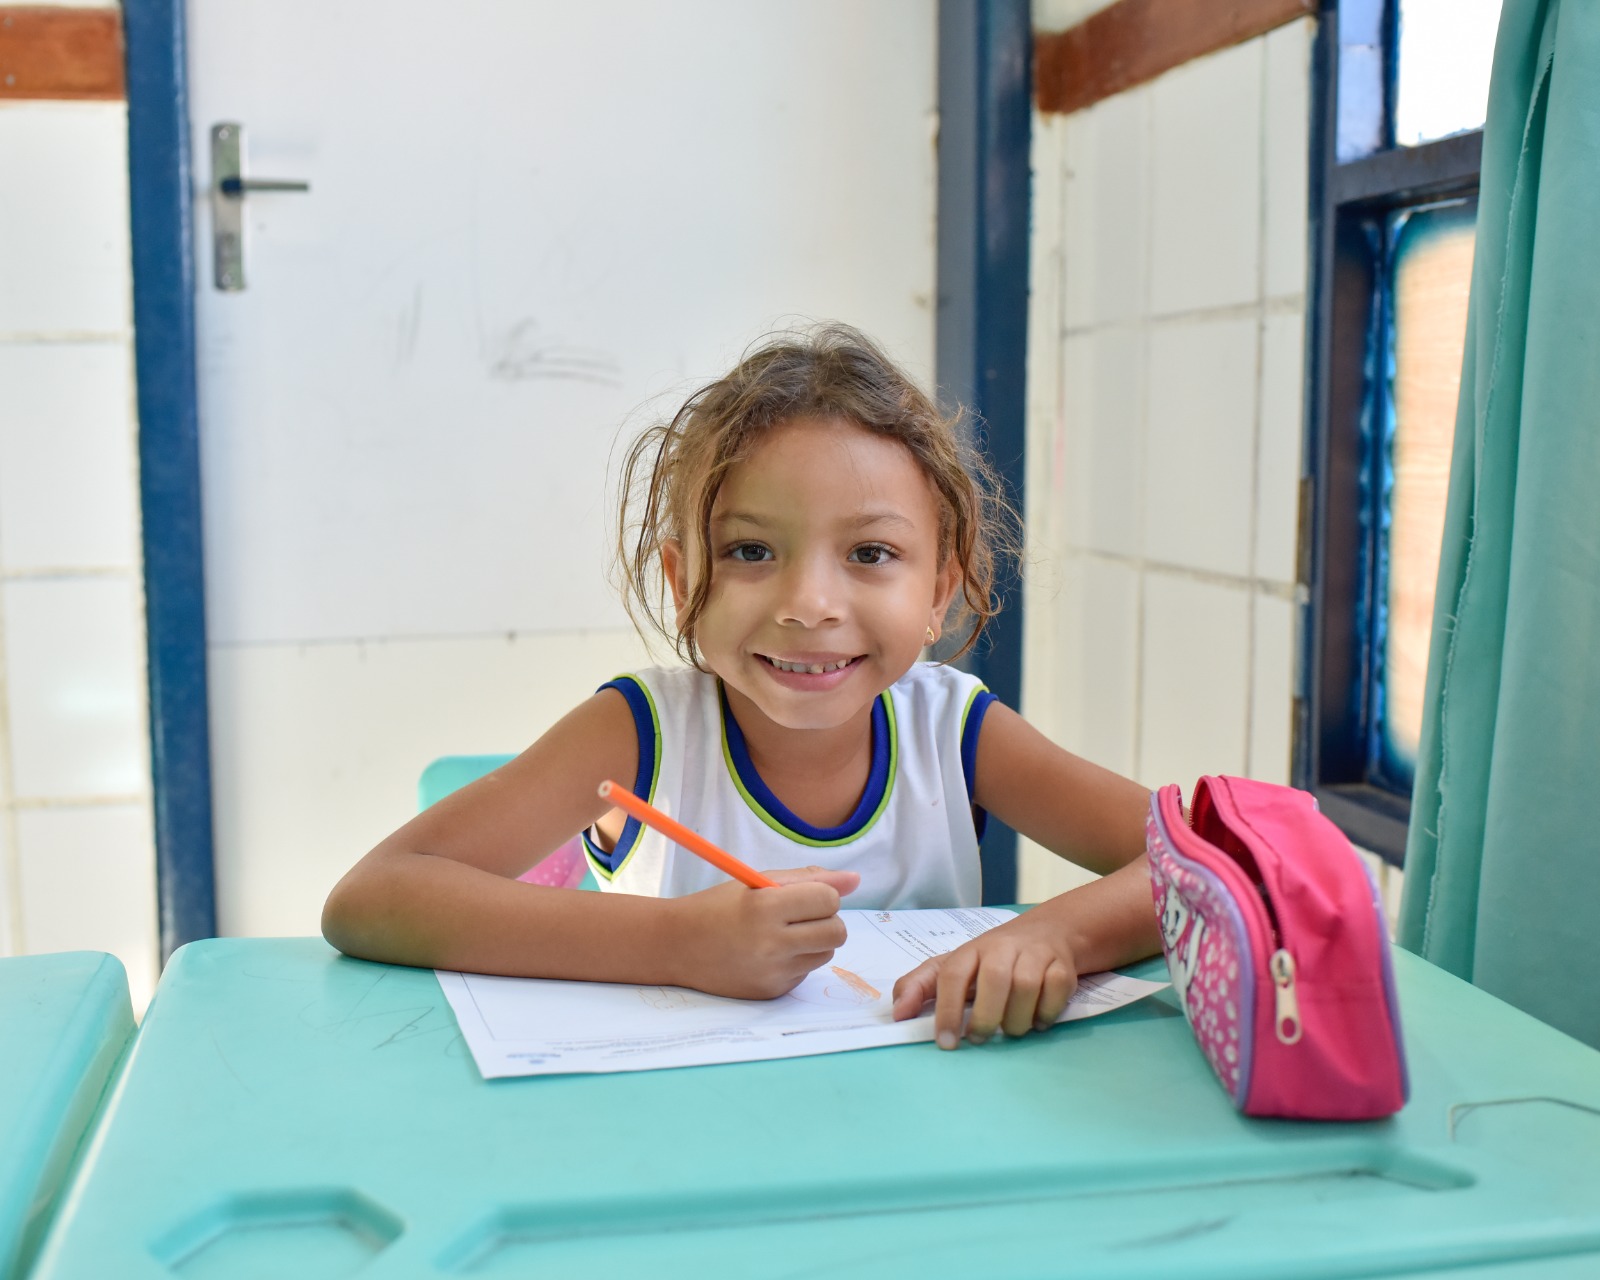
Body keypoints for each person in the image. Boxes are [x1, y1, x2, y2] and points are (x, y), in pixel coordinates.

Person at [322, 323, 1160, 1049]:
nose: (808, 606)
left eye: (870, 554)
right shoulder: (640, 731)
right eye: (752, 552)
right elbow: (374, 898)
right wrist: (677, 945)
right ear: (686, 583)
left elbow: (1208, 861)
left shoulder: (957, 731)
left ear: (939, 590)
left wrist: (1053, 933)